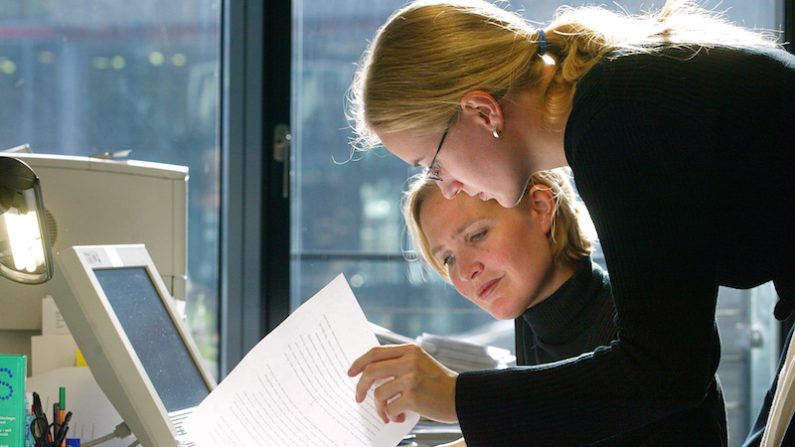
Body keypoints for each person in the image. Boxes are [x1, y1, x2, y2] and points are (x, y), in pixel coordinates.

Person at [344, 0, 795, 445]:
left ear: (483, 111)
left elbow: (666, 369)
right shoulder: (612, 102)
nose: (446, 188)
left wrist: (454, 397)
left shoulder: (619, 119)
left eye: (434, 165)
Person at [402, 171, 727, 446]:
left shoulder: (633, 331)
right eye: (447, 258)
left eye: (477, 235)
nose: (464, 271)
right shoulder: (533, 317)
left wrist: (459, 398)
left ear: (542, 207)